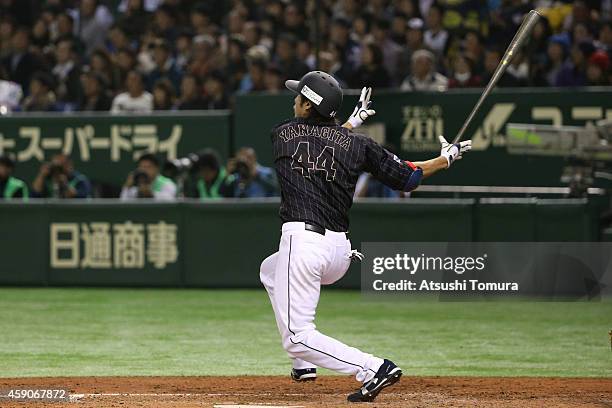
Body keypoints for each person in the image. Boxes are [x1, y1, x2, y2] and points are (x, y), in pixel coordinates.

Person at [260, 71, 471, 402]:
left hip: (304, 246)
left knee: (297, 336)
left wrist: (350, 123)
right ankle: (304, 366)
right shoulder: (357, 145)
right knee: (270, 271)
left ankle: (373, 367)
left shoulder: (283, 133)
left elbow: (317, 142)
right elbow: (409, 178)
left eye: (299, 97)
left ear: (306, 106)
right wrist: (445, 159)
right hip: (338, 253)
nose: (294, 100)